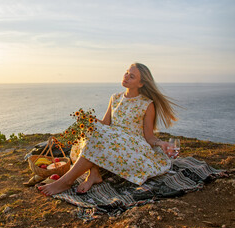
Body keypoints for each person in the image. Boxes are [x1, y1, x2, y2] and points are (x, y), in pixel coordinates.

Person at [39, 63, 178, 196]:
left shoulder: (147, 104)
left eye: (132, 76)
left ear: (141, 83)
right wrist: (88, 119)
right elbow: (105, 123)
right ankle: (94, 173)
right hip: (113, 138)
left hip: (132, 144)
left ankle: (66, 181)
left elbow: (149, 137)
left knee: (99, 136)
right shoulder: (115, 98)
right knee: (91, 129)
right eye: (126, 73)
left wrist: (161, 143)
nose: (126, 76)